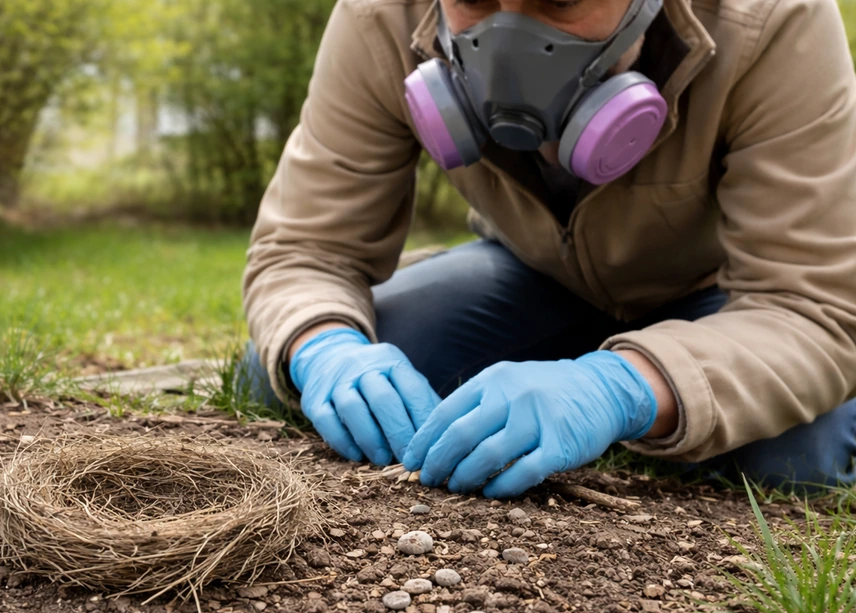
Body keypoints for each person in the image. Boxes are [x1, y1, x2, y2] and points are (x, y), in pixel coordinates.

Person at [241, 0, 856, 498]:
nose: (508, 41)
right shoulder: (382, 16)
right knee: (294, 374)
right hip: (532, 274)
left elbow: (811, 305)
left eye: (560, 2)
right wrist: (324, 346)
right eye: (474, 0)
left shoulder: (777, 20)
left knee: (798, 460)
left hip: (721, 301)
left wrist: (620, 389)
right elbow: (304, 250)